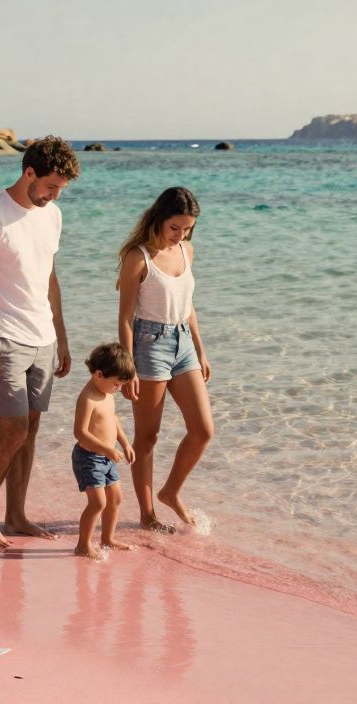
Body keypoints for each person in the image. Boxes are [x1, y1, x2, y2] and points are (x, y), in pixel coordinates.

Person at [0, 136, 80, 547]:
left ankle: (16, 515)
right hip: (4, 338)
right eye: (50, 186)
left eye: (60, 189)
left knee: (29, 430)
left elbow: (49, 277)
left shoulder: (53, 216)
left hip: (43, 337)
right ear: (29, 172)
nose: (54, 195)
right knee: (11, 431)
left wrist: (61, 337)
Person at [117, 187, 213, 531]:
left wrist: (200, 350)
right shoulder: (137, 257)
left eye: (187, 228)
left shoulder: (187, 250)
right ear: (159, 218)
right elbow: (126, 318)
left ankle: (171, 492)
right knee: (147, 437)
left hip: (183, 343)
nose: (181, 234)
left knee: (202, 430)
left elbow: (189, 307)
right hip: (148, 345)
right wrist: (128, 368)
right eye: (175, 227)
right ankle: (147, 516)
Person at [71, 343, 137, 559]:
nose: (118, 389)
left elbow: (113, 420)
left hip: (106, 457)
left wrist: (125, 443)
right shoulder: (88, 397)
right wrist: (107, 448)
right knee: (98, 502)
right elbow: (80, 432)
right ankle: (83, 545)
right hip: (89, 458)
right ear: (99, 374)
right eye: (116, 384)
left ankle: (107, 538)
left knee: (115, 498)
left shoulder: (107, 394)